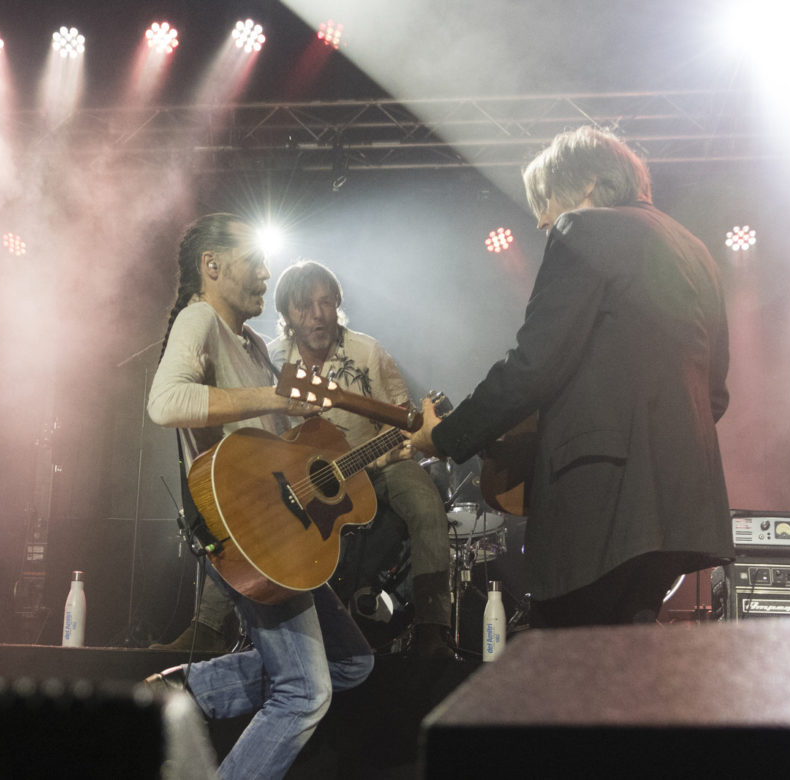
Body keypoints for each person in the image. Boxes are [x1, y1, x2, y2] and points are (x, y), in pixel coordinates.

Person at [409, 126, 734, 628]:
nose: (540, 219)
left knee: (563, 668)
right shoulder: (696, 251)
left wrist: (447, 435)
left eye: (544, 200)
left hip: (602, 501)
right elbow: (714, 394)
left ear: (585, 187)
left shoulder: (585, 227)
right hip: (682, 505)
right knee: (622, 668)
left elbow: (535, 363)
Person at [143, 213, 374, 779]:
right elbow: (166, 403)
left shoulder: (248, 341)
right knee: (303, 693)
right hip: (248, 532)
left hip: (280, 529)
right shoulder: (199, 319)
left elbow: (271, 442)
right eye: (254, 261)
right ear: (212, 265)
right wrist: (271, 395)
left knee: (352, 661)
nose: (267, 274)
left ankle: (187, 691)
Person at [269, 260, 456, 657]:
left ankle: (432, 629)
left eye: (326, 302)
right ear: (285, 314)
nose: (319, 315)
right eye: (305, 306)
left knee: (426, 504)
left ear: (338, 303)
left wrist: (378, 455)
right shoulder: (270, 361)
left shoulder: (367, 352)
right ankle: (221, 629)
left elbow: (405, 418)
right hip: (300, 479)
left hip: (380, 462)